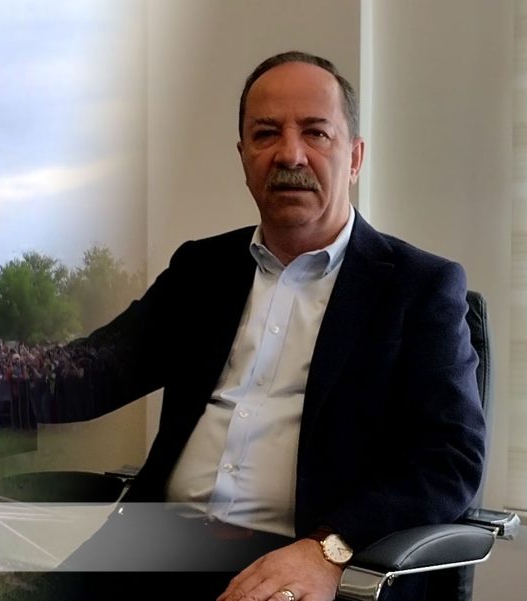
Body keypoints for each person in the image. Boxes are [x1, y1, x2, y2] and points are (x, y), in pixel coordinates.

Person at [39, 51, 486, 601]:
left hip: (296, 559)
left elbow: (451, 459)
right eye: (266, 133)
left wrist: (329, 549)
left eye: (316, 133)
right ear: (244, 155)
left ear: (354, 157)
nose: (289, 154)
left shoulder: (419, 288)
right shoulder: (201, 269)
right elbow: (90, 374)